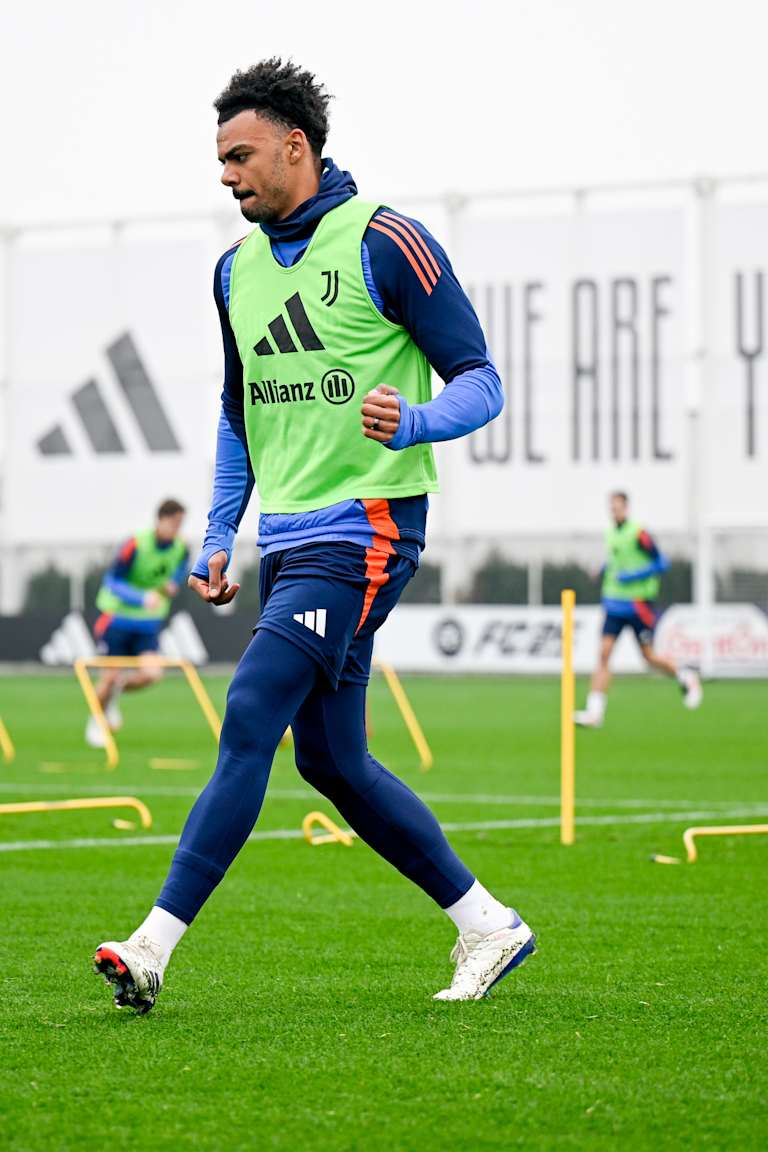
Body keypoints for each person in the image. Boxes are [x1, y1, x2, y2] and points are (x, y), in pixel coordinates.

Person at [93, 58, 535, 1011]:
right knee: (331, 760)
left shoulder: (385, 240)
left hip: (368, 528)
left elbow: (483, 381)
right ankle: (488, 925)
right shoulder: (234, 271)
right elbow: (237, 412)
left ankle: (151, 946)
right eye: (220, 158)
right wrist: (221, 532)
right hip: (288, 542)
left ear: (296, 147)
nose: (226, 174)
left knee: (251, 706)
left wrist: (415, 422)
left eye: (240, 155)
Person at [574, 491, 702, 728]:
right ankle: (595, 712)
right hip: (613, 603)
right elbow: (616, 560)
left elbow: (661, 563)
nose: (614, 511)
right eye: (611, 508)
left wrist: (634, 576)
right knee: (603, 655)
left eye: (618, 507)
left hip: (637, 604)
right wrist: (601, 570)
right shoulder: (610, 532)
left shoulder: (639, 533)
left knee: (649, 657)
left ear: (626, 507)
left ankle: (685, 675)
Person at [86, 499, 188, 746]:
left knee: (152, 674)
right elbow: (112, 582)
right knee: (109, 677)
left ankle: (114, 695)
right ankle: (96, 722)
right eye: (174, 522)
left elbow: (176, 575)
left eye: (180, 524)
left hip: (148, 624)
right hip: (117, 619)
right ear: (160, 519)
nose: (177, 528)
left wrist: (171, 586)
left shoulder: (181, 549)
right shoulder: (135, 543)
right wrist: (141, 598)